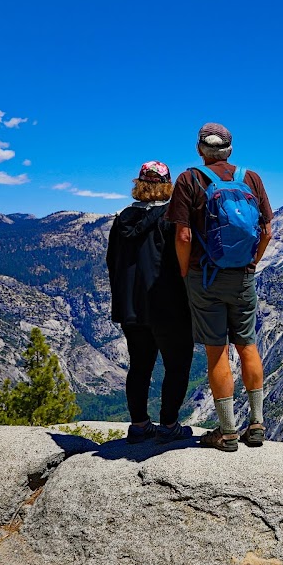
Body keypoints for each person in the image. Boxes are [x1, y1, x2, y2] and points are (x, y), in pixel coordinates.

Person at [167, 123, 273, 452]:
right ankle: (256, 424)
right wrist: (252, 262)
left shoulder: (189, 179)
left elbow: (183, 236)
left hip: (205, 277)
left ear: (201, 149)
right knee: (247, 345)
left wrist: (185, 271)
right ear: (229, 149)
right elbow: (267, 230)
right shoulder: (251, 178)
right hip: (242, 276)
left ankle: (227, 432)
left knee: (217, 351)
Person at [106, 161, 195, 444]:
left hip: (132, 307)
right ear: (167, 185)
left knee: (140, 365)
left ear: (140, 185)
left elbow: (112, 263)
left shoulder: (122, 219)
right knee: (177, 365)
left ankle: (139, 424)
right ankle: (169, 425)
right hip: (169, 305)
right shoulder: (173, 218)